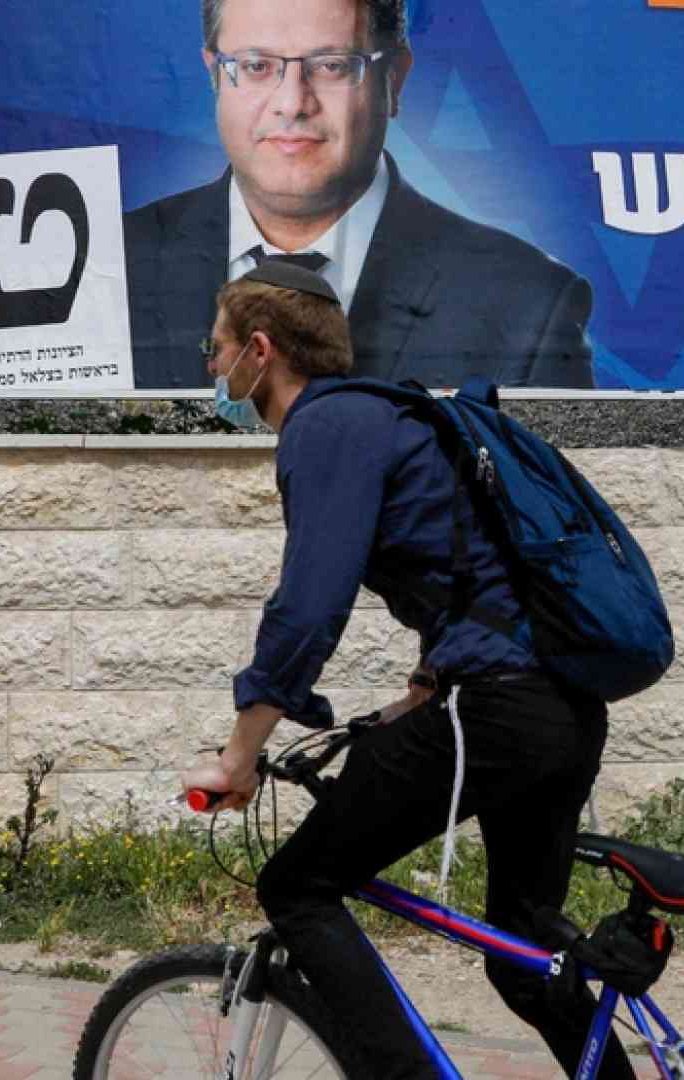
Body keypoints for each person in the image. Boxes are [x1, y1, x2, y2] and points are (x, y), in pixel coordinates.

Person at [178, 257, 630, 1080]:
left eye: (216, 350)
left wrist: (239, 753)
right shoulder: (392, 417)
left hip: (498, 710)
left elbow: (308, 607)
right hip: (559, 707)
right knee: (524, 955)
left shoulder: (326, 426)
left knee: (297, 887)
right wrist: (420, 693)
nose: (213, 369)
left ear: (260, 350)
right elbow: (471, 573)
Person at [126, 0, 596, 392]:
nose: (292, 103)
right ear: (214, 74)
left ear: (394, 80)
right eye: (256, 66)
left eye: (332, 65)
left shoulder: (528, 305)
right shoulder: (111, 266)